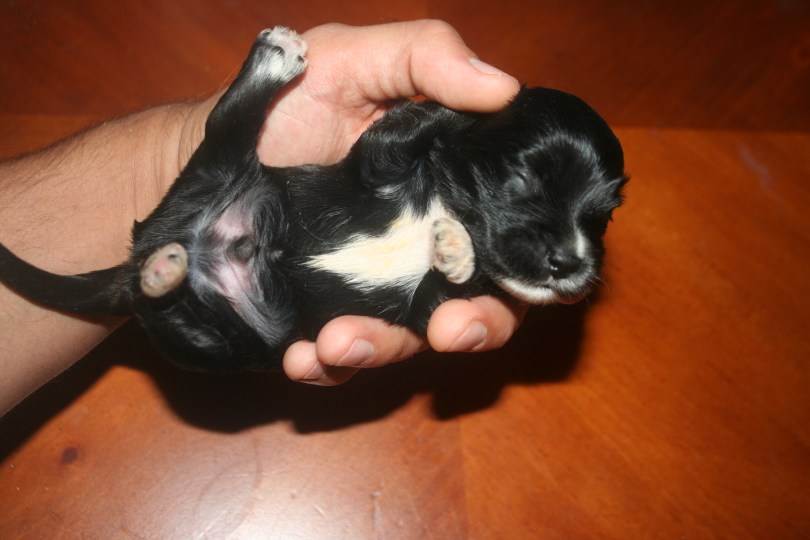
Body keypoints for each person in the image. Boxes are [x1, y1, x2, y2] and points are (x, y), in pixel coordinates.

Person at [0, 20, 526, 416]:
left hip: (262, 306)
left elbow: (429, 307)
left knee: (241, 349)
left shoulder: (480, 253)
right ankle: (258, 85)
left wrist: (459, 274)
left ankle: (161, 301)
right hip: (246, 205)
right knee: (226, 162)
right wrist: (448, 116)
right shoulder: (438, 164)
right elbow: (388, 151)